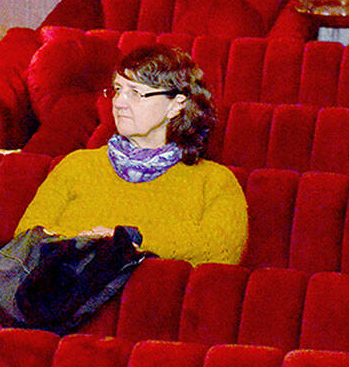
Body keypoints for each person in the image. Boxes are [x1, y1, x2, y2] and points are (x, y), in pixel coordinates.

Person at [14, 44, 247, 265]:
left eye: (135, 93)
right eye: (117, 90)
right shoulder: (76, 165)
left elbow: (223, 250)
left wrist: (129, 241)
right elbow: (26, 236)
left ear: (176, 105)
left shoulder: (215, 181)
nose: (119, 103)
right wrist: (88, 244)